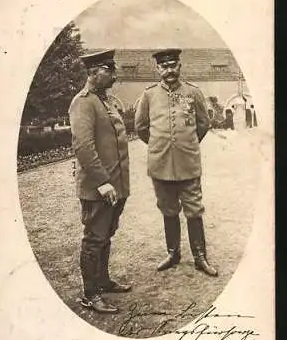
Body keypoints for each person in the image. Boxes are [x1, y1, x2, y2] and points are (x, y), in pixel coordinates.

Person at [135, 48, 218, 277]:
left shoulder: (193, 92)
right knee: (168, 210)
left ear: (179, 66)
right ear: (158, 69)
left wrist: (187, 144)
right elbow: (141, 128)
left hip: (188, 163)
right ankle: (173, 254)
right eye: (164, 66)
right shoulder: (149, 95)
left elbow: (203, 124)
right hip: (160, 164)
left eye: (173, 65)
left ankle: (200, 257)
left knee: (194, 210)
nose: (169, 70)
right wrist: (159, 146)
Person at [69, 49, 132, 314]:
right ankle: (90, 294)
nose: (115, 76)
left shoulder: (105, 100)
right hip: (99, 188)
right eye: (110, 71)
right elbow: (83, 146)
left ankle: (103, 281)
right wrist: (103, 182)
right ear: (94, 73)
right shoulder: (84, 102)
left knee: (106, 235)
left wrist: (116, 185)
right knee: (94, 238)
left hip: (115, 185)